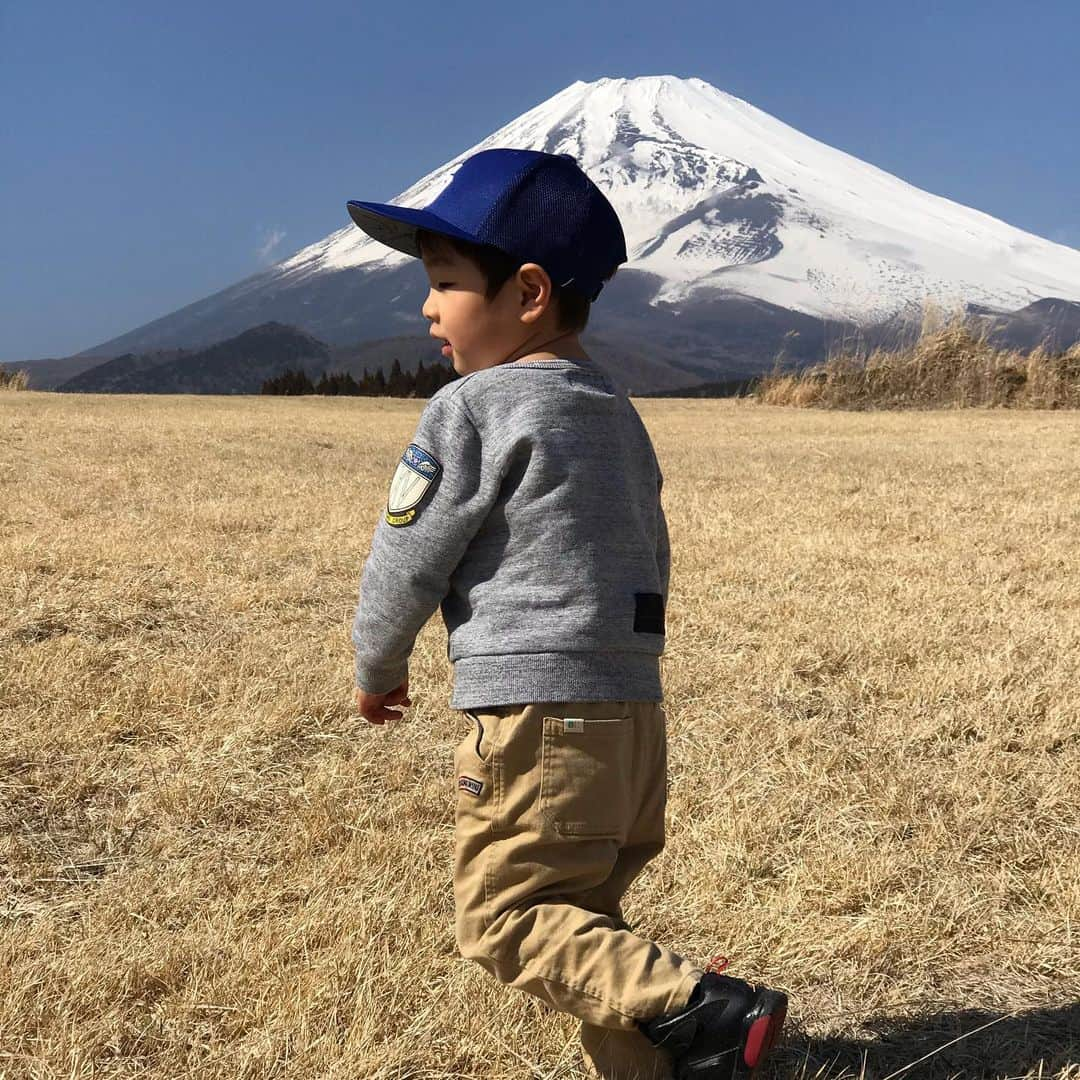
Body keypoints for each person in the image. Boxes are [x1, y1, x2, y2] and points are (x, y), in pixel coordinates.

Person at [347, 148, 787, 1079]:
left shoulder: (471, 408)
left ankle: (703, 1007)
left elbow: (406, 557)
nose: (427, 308)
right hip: (630, 717)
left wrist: (377, 665)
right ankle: (666, 1065)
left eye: (445, 283)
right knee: (585, 926)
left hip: (535, 716)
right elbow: (650, 550)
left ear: (529, 291)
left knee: (507, 918)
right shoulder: (617, 411)